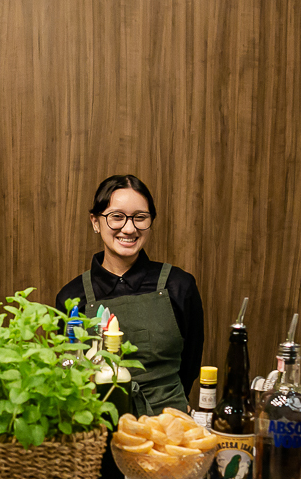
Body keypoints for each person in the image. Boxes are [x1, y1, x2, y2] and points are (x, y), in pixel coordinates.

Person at [55, 174, 204, 414]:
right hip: (99, 428)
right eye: (116, 217)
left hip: (168, 425)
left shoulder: (179, 285)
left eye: (140, 218)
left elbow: (191, 362)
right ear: (95, 221)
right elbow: (68, 368)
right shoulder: (73, 297)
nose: (129, 228)